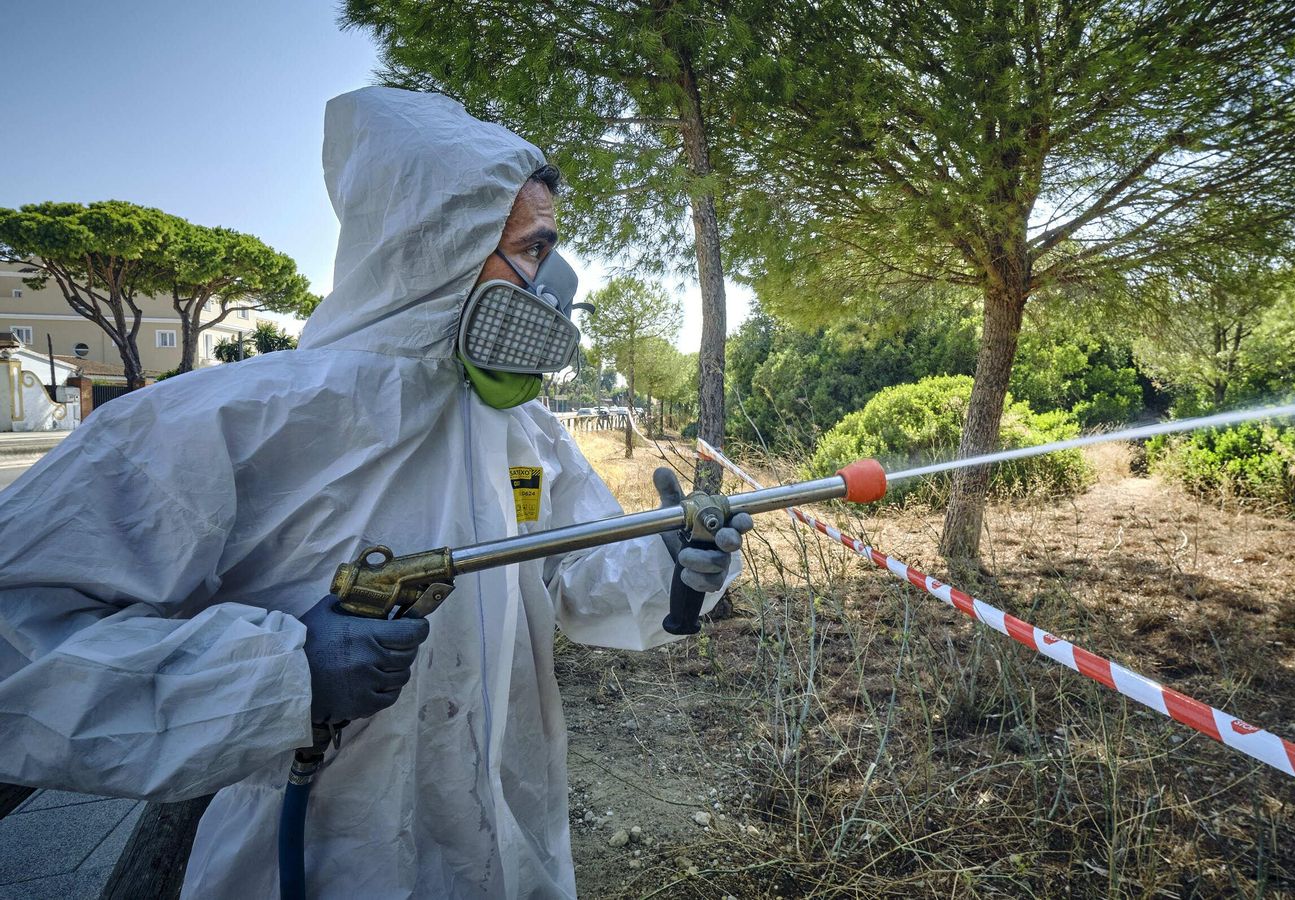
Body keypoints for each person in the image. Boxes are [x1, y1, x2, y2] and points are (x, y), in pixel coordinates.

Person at [0, 86, 749, 898]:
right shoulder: (222, 426)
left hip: (505, 852)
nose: (552, 285)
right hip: (308, 865)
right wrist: (284, 678)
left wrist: (671, 567)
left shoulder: (523, 434)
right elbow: (20, 638)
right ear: (445, 246)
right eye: (535, 250)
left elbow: (576, 571)